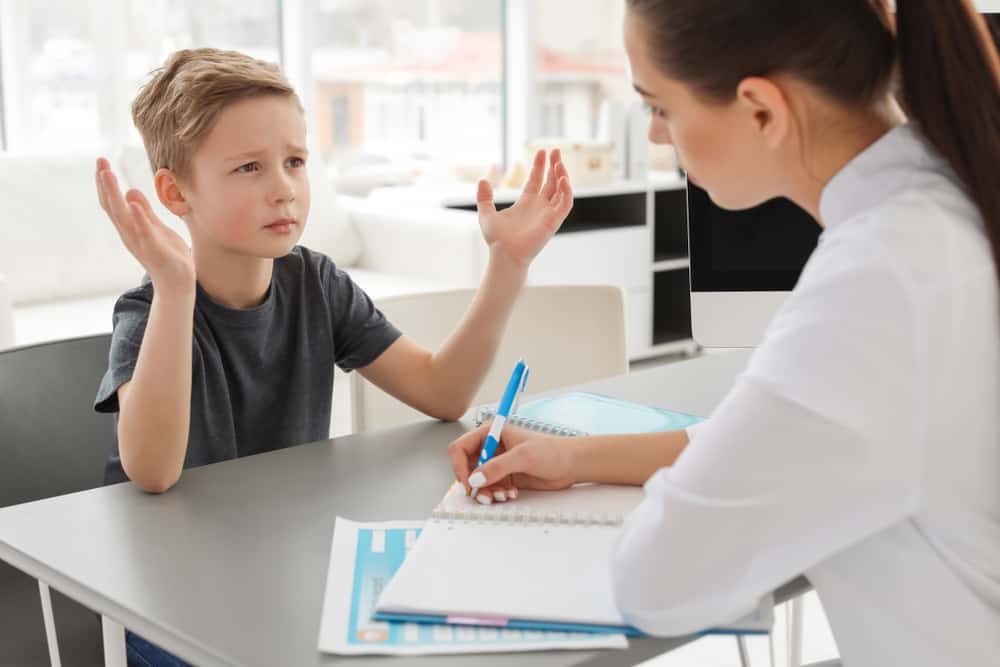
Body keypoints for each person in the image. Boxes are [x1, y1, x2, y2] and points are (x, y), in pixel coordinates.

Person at [448, 1, 1000, 664]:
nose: (656, 137)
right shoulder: (942, 205)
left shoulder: (879, 284)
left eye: (660, 107)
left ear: (761, 109)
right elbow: (781, 442)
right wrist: (573, 457)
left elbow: (656, 580)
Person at [93, 47, 571, 665]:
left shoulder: (315, 284)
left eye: (294, 162)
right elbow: (153, 472)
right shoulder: (146, 313)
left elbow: (443, 392)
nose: (283, 189)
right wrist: (174, 286)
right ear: (174, 192)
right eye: (248, 168)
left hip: (283, 568)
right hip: (166, 601)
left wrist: (508, 263)